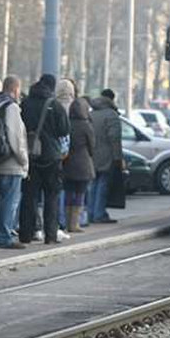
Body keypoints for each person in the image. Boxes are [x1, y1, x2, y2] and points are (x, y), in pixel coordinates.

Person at [20, 74, 71, 244]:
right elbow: (64, 130)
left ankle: (26, 234)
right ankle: (50, 235)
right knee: (52, 197)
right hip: (52, 157)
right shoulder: (55, 105)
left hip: (30, 156)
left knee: (29, 197)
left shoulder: (25, 103)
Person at [0, 76, 28, 249]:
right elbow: (16, 137)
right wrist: (24, 160)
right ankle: (4, 236)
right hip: (10, 163)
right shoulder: (12, 107)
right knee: (10, 202)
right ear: (16, 89)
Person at [89, 89, 123, 224]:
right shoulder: (111, 115)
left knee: (93, 184)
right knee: (103, 185)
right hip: (106, 156)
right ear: (112, 99)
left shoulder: (91, 113)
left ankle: (91, 213)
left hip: (91, 155)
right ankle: (99, 213)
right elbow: (115, 138)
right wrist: (118, 158)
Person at [63, 91, 95, 233]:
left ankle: (67, 222)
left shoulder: (67, 123)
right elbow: (92, 146)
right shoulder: (85, 125)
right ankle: (75, 223)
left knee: (69, 193)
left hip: (67, 164)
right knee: (80, 193)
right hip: (83, 164)